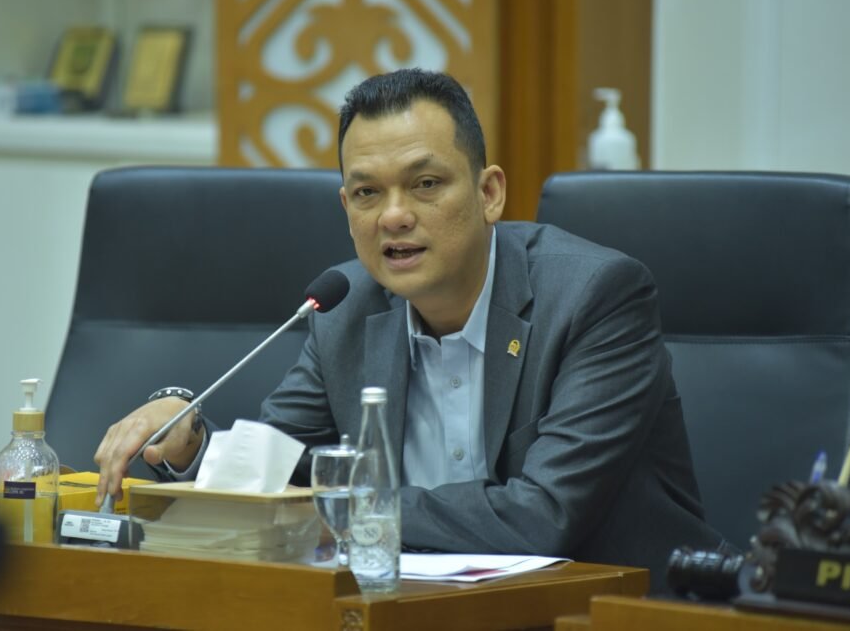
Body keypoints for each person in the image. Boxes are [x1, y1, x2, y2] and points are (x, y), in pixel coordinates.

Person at [94, 68, 725, 588]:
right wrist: (191, 440)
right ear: (347, 208)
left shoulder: (597, 296)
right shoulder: (345, 308)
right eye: (367, 193)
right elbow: (280, 467)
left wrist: (342, 507)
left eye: (425, 184)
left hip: (607, 611)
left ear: (489, 194)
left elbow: (543, 517)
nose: (394, 216)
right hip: (416, 609)